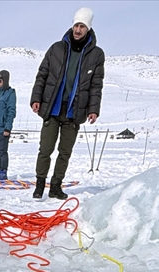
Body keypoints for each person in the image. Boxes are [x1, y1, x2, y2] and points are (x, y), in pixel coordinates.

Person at [30, 7, 104, 200]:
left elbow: (96, 85)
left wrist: (93, 109)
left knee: (65, 152)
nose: (78, 30)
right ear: (72, 26)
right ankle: (39, 185)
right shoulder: (57, 48)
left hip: (74, 111)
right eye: (76, 25)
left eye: (82, 26)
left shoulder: (96, 55)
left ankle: (55, 186)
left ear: (88, 29)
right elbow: (42, 75)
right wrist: (36, 98)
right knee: (45, 149)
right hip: (52, 108)